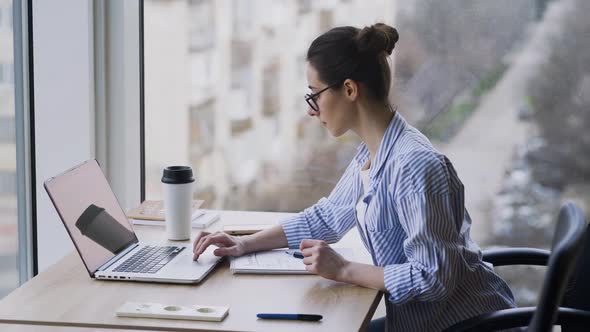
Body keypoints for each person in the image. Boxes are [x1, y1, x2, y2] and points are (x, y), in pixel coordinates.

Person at [192, 23, 516, 331]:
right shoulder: (373, 151)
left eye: (314, 95)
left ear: (348, 89)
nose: (311, 109)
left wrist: (343, 270)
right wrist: (244, 243)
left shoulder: (412, 165)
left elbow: (433, 278)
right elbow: (328, 217)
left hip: (466, 325)